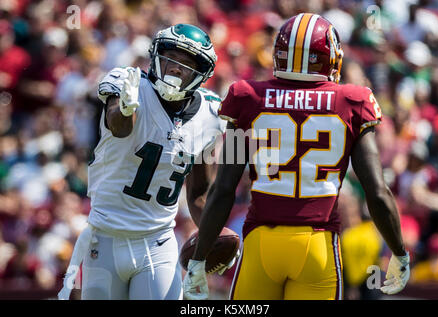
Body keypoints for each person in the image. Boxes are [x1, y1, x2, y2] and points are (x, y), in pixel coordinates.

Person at [183, 13, 410, 300]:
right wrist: (399, 252)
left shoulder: (248, 96)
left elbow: (223, 188)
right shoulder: (352, 101)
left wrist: (199, 259)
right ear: (329, 57)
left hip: (261, 245)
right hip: (317, 246)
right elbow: (377, 191)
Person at [58, 23, 226, 300]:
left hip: (158, 241)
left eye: (186, 64)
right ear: (156, 56)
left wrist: (212, 237)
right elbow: (120, 126)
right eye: (171, 58)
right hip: (106, 238)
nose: (175, 68)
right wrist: (125, 107)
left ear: (201, 75)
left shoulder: (208, 114)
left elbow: (198, 194)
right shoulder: (128, 83)